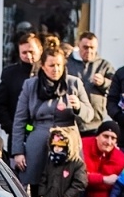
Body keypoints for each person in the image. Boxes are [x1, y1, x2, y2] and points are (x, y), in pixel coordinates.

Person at [11, 43, 88, 187]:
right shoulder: (30, 85)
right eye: (51, 65)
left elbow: (89, 115)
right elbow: (19, 120)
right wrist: (18, 152)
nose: (56, 69)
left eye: (59, 65)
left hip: (68, 142)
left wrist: (78, 107)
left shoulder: (74, 83)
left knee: (67, 186)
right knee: (36, 188)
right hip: (38, 142)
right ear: (43, 66)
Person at [0, 32, 41, 149]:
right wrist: (11, 128)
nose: (28, 56)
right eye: (24, 52)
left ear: (40, 50)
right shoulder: (10, 73)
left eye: (32, 52)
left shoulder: (48, 71)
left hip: (44, 133)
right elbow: (0, 105)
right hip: (17, 136)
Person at [66, 31, 113, 132]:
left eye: (92, 48)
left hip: (95, 123)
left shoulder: (104, 65)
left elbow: (116, 87)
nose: (89, 51)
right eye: (85, 47)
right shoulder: (67, 64)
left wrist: (104, 83)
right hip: (70, 121)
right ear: (78, 45)